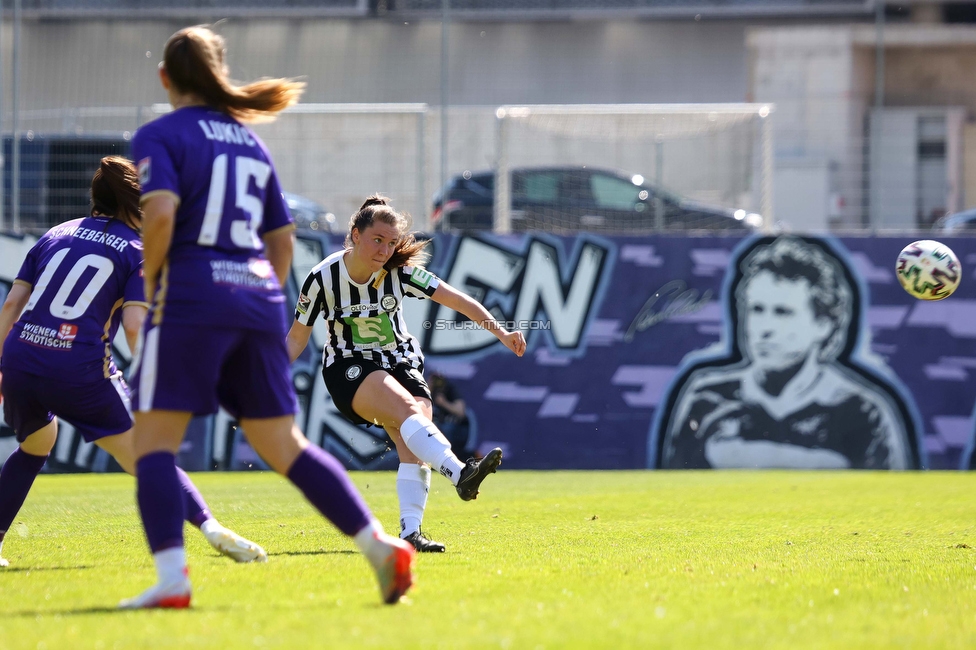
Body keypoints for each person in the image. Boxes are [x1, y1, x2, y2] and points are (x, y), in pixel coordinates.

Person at [123, 26, 414, 609]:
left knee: (153, 444)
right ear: (218, 72)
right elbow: (281, 244)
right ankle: (380, 545)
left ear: (165, 78)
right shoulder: (250, 142)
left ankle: (172, 580)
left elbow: (158, 220)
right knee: (284, 443)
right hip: (255, 298)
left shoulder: (159, 134)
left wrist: (154, 287)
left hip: (191, 298)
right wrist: (258, 297)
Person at [0, 156, 266, 567]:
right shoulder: (136, 249)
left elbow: (12, 305)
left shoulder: (55, 233)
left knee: (37, 442)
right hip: (79, 370)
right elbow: (135, 326)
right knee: (150, 455)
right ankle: (211, 528)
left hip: (20, 360)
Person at [287, 195, 526, 553]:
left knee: (413, 441)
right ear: (355, 234)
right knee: (408, 412)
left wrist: (502, 332)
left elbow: (457, 300)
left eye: (391, 242)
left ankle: (411, 534)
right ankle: (461, 473)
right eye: (377, 240)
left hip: (401, 361)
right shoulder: (322, 278)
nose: (384, 250)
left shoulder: (400, 273)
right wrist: (265, 375)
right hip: (348, 367)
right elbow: (295, 338)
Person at [656, 236, 917, 470]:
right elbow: (673, 493)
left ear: (823, 325)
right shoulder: (707, 399)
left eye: (783, 312)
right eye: (757, 310)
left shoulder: (863, 413)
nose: (764, 329)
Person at [428, 371, 473, 458]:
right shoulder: (429, 392)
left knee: (446, 429)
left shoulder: (450, 390)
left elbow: (461, 412)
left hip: (456, 428)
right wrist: (428, 389)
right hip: (436, 426)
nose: (437, 383)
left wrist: (444, 403)